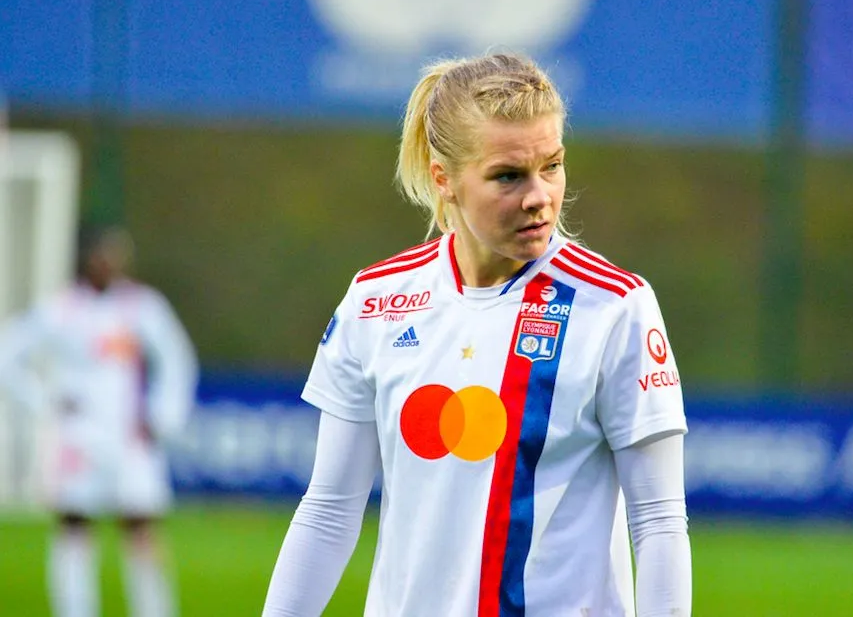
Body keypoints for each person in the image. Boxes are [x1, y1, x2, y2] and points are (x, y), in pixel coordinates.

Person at [262, 52, 691, 616]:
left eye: (553, 165)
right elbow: (328, 511)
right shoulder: (375, 301)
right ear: (445, 180)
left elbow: (659, 522)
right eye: (508, 176)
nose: (540, 196)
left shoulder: (614, 306)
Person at [0, 224, 199, 617]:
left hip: (130, 436)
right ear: (85, 259)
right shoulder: (60, 309)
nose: (109, 263)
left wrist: (162, 416)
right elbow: (9, 352)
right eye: (102, 254)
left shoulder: (142, 305)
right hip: (79, 438)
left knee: (141, 525)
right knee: (75, 525)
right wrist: (45, 402)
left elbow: (177, 359)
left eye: (116, 254)